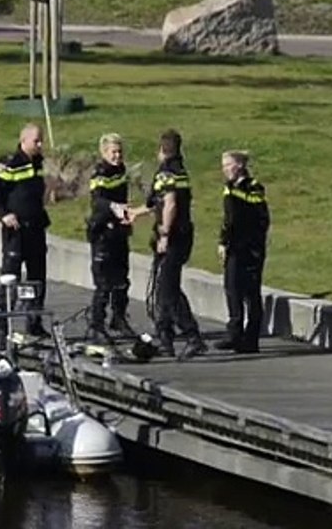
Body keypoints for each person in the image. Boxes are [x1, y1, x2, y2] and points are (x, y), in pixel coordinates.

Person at [142, 129, 206, 360]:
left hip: (172, 237)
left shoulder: (167, 173)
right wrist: (135, 213)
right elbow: (157, 204)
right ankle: (165, 338)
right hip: (183, 235)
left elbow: (169, 204)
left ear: (161, 149)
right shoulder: (180, 172)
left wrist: (164, 234)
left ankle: (192, 336)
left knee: (167, 290)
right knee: (163, 289)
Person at [0, 122, 50, 337]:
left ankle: (34, 321)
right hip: (16, 231)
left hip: (36, 228)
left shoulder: (38, 163)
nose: (40, 145)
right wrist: (4, 214)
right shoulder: (11, 164)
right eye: (36, 141)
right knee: (10, 278)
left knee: (37, 278)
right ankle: (2, 325)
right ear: (23, 141)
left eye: (41, 141)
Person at [84, 132, 136, 342]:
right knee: (103, 283)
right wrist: (114, 207)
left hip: (119, 232)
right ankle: (97, 324)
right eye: (113, 152)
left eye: (120, 152)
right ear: (104, 153)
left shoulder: (121, 170)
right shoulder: (100, 173)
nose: (117, 156)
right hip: (102, 233)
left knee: (122, 280)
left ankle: (119, 318)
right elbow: (97, 201)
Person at [217, 150, 270, 353]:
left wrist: (233, 193)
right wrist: (223, 242)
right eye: (223, 166)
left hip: (251, 248)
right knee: (232, 288)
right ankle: (234, 333)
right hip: (234, 246)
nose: (225, 169)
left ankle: (251, 338)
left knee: (251, 292)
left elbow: (257, 217)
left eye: (228, 165)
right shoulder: (229, 188)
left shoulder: (254, 187)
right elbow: (228, 219)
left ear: (239, 165)